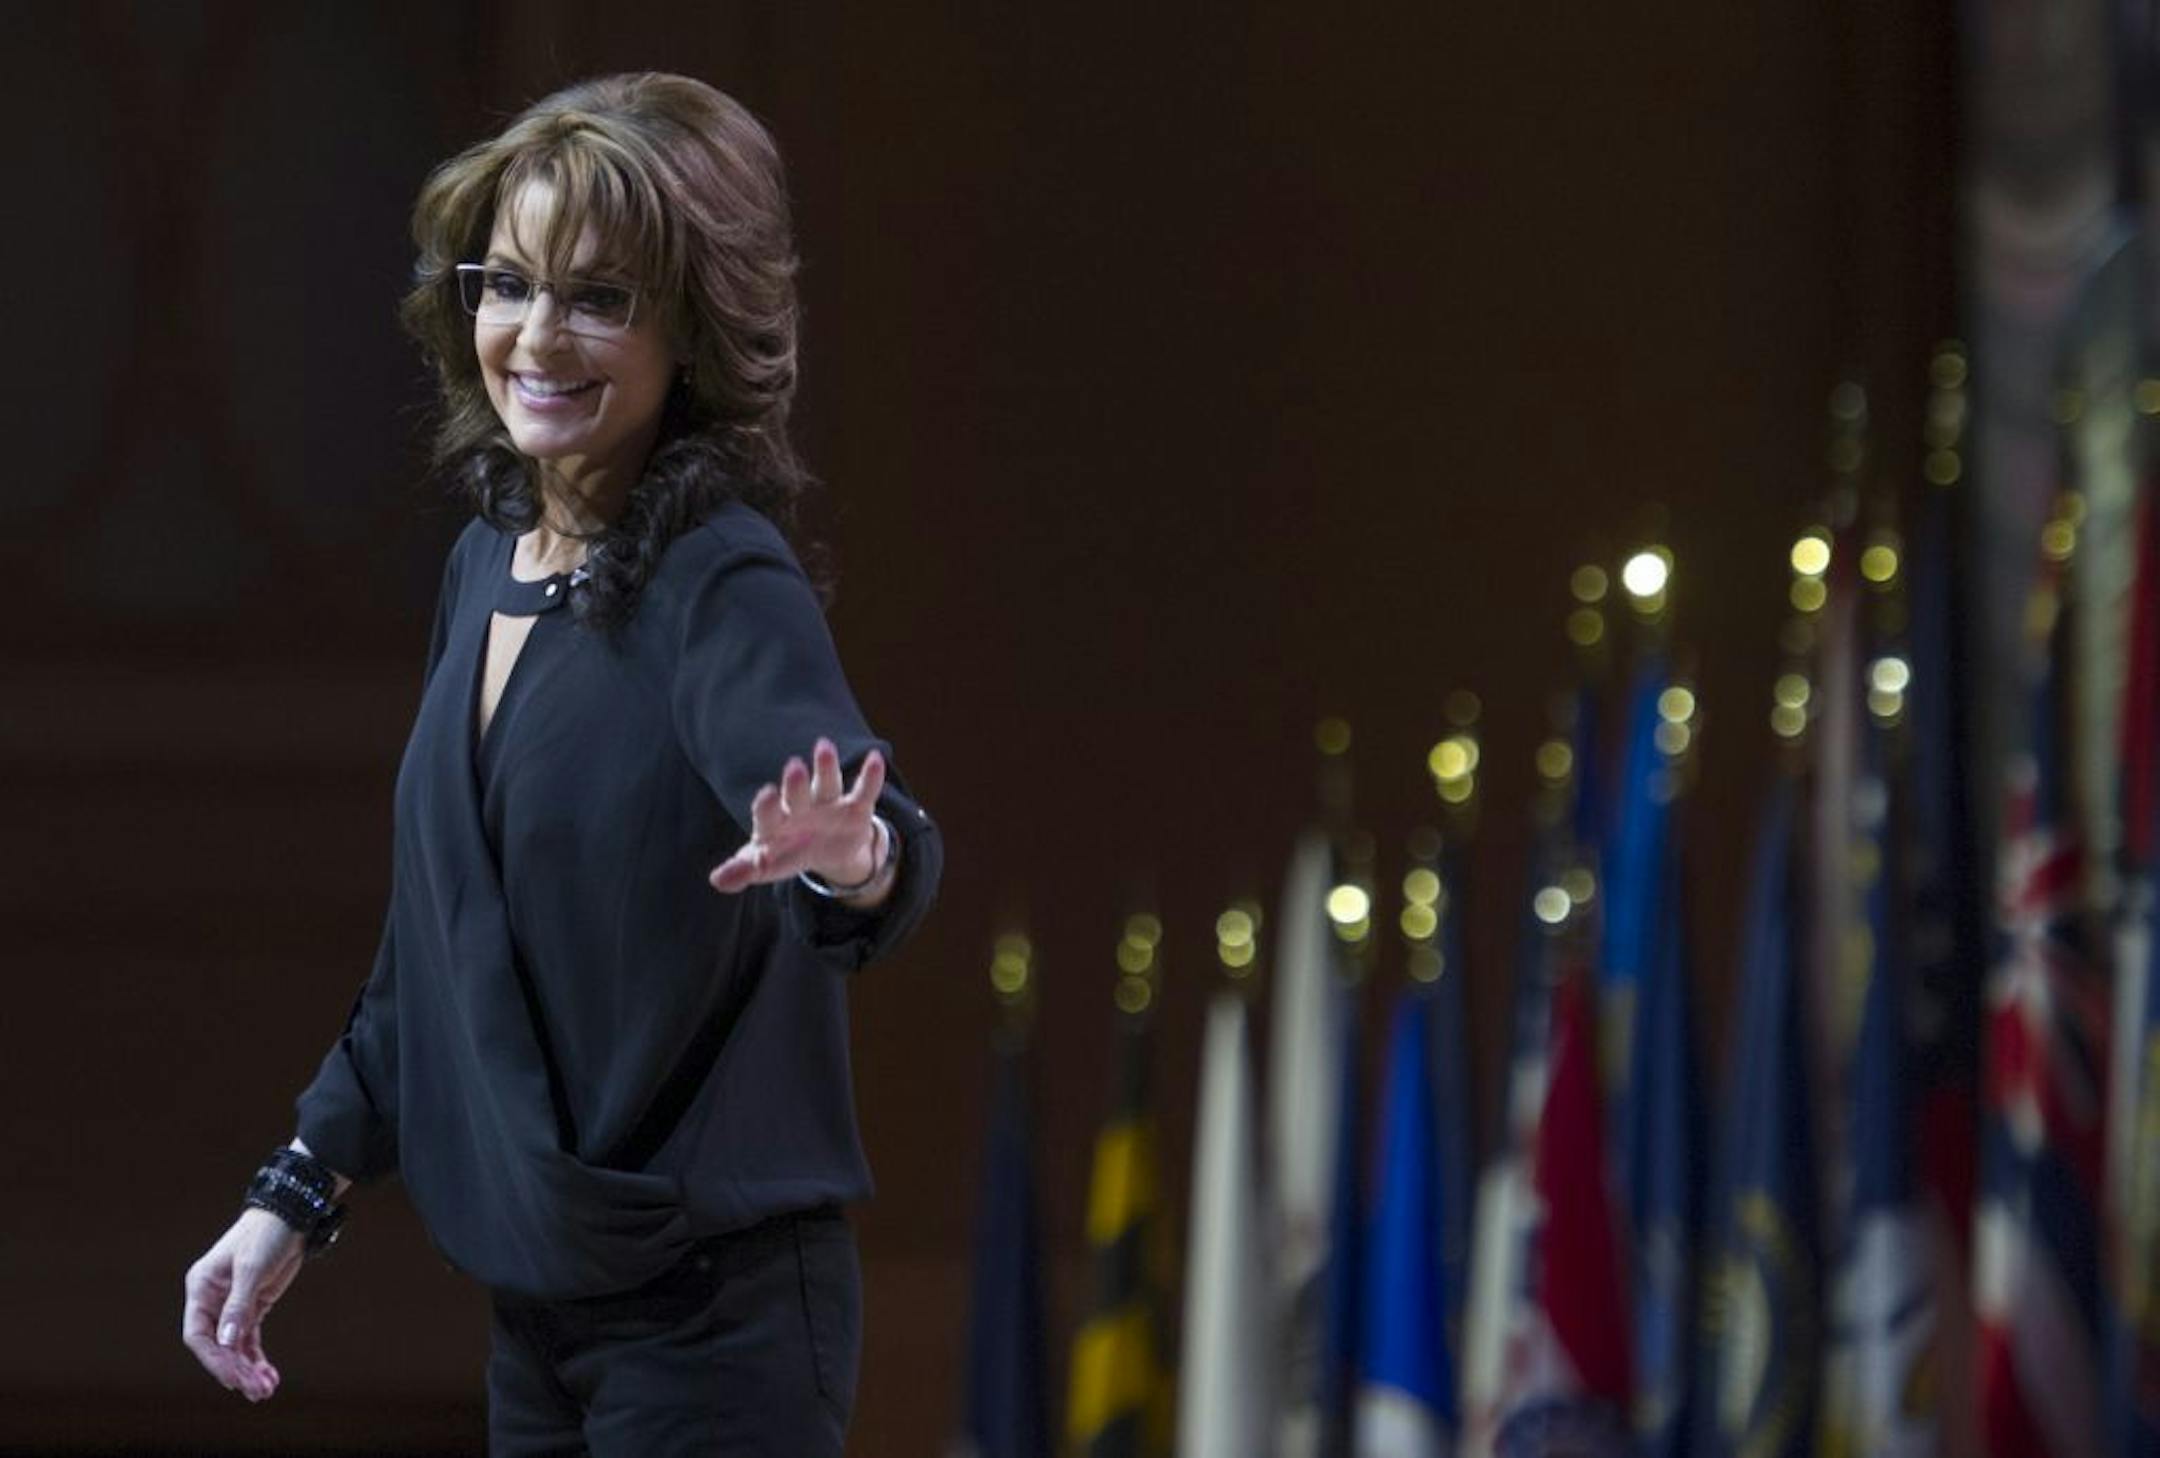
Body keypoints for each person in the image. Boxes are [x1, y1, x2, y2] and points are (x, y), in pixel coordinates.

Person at [179, 72, 942, 1456]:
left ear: (689, 335)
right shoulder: (485, 568)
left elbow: (874, 833)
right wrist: (292, 1193)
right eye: (509, 282)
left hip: (719, 1326)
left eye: (601, 297)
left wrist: (853, 856)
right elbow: (439, 958)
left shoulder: (718, 578)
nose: (536, 334)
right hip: (541, 1316)